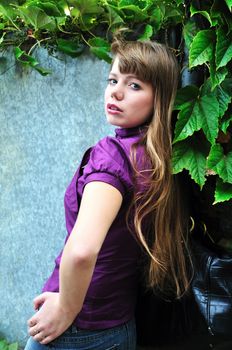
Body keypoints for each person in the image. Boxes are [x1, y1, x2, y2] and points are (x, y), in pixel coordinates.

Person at [24, 38, 190, 350]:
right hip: (120, 328)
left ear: (160, 98)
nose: (115, 92)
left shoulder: (111, 156)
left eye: (135, 85)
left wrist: (66, 309)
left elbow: (83, 250)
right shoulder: (160, 159)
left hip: (79, 330)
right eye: (113, 80)